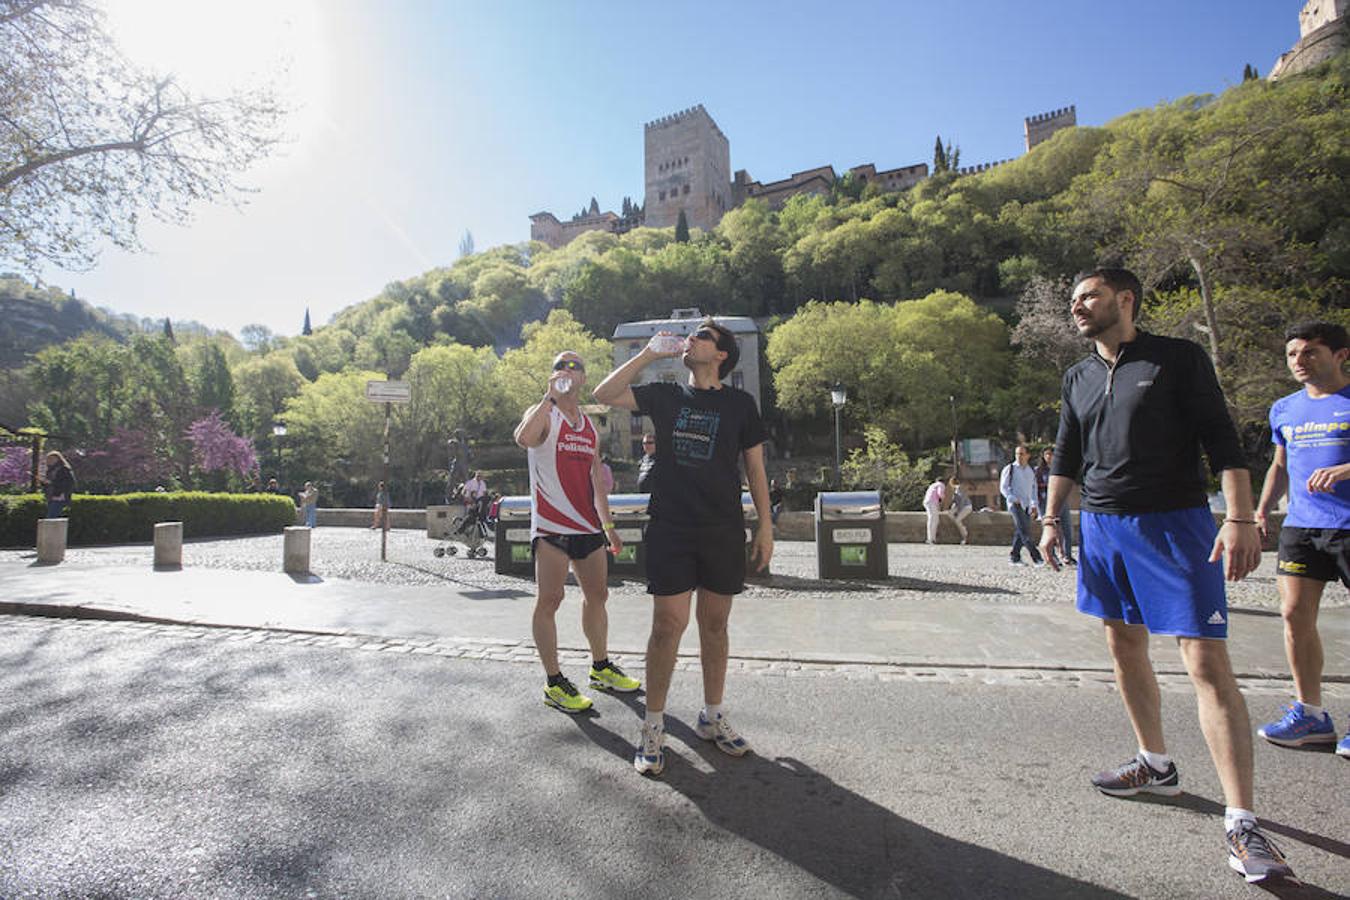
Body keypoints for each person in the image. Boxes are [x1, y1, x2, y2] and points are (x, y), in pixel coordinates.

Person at [1039, 267, 1295, 884]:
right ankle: (1154, 764)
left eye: (1089, 296)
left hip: (1175, 524)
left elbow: (1223, 442)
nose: (1078, 306)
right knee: (1123, 645)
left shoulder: (1177, 358)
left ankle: (1242, 823)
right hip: (1103, 527)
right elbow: (1067, 452)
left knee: (1206, 662)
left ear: (1125, 299)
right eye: (1074, 299)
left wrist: (1239, 518)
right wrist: (1050, 519)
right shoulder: (1077, 375)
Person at [594, 318, 773, 777]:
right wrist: (650, 353)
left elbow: (755, 469)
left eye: (703, 336)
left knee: (714, 626)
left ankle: (712, 715)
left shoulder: (740, 404)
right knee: (667, 627)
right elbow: (605, 394)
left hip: (723, 528)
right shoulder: (666, 395)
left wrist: (766, 527)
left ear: (721, 355)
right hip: (672, 527)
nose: (692, 338)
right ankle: (653, 725)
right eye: (692, 334)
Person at [514, 350, 638, 714]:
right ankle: (554, 682)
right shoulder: (543, 412)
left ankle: (601, 667)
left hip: (587, 526)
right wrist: (548, 398)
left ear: (584, 377)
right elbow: (524, 438)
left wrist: (609, 526)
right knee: (550, 600)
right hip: (551, 525)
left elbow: (597, 481)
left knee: (598, 595)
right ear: (552, 375)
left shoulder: (589, 426)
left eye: (575, 366)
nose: (568, 370)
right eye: (560, 366)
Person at [1253, 321, 1349, 758]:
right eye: (1292, 354)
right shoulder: (1285, 409)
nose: (1299, 361)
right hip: (1302, 526)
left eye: (1310, 352)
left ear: (1341, 355)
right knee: (1293, 614)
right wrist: (1261, 509)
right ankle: (1311, 715)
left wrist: (1344, 470)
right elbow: (1280, 465)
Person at [999, 445, 1042, 566]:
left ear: (1027, 455)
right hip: (1015, 504)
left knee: (1021, 531)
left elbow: (1033, 489)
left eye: (1022, 454)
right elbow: (1003, 487)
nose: (1019, 456)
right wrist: (1012, 498)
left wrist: (1034, 504)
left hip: (1026, 505)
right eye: (1017, 454)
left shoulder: (1030, 471)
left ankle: (1014, 557)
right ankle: (1037, 558)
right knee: (1025, 532)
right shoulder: (1010, 469)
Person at [1035, 447, 1076, 565]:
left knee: (1067, 529)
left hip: (1061, 501)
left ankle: (1067, 555)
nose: (1049, 457)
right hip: (1045, 502)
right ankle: (1051, 556)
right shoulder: (1038, 471)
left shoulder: (1060, 469)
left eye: (1051, 454)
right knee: (1050, 529)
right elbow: (1035, 488)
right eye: (1047, 454)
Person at [40, 451, 75, 519]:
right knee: (52, 516)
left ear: (58, 459)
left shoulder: (64, 469)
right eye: (48, 459)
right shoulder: (50, 470)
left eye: (52, 459)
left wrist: (63, 493)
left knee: (52, 517)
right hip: (51, 496)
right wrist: (44, 483)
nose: (49, 461)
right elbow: (49, 484)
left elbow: (69, 483)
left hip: (59, 496)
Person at [922, 477, 946, 544]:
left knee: (933, 519)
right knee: (933, 520)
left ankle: (931, 538)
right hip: (932, 502)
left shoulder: (932, 485)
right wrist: (943, 498)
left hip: (928, 502)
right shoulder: (941, 484)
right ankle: (931, 539)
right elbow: (940, 493)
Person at [950, 478, 973, 544]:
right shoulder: (957, 489)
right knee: (951, 515)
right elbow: (956, 501)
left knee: (957, 520)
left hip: (966, 507)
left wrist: (959, 510)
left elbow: (962, 500)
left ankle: (965, 534)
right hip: (964, 507)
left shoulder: (959, 488)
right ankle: (963, 532)